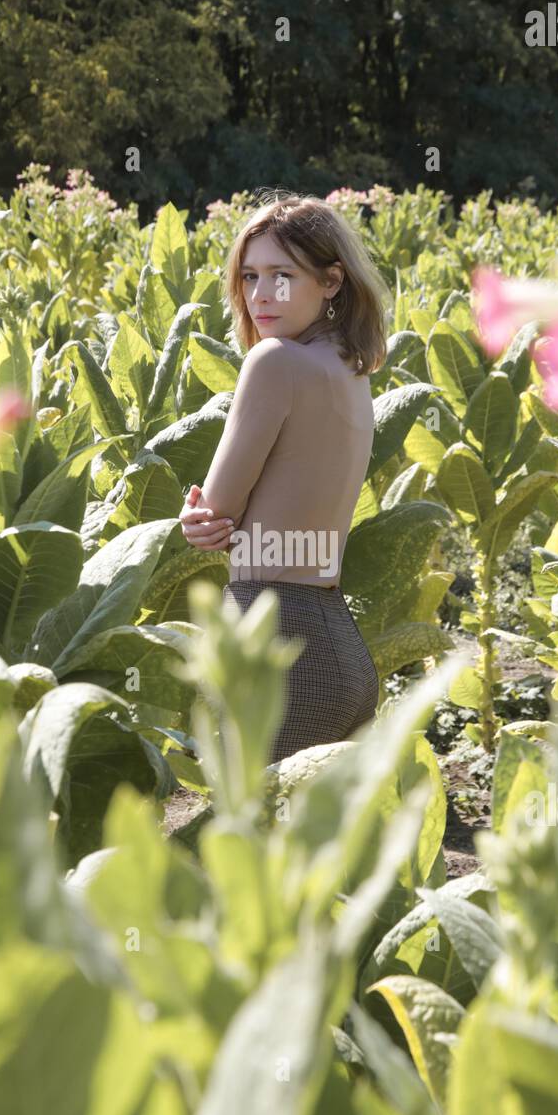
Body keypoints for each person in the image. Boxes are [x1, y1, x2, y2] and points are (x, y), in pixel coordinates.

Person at [179, 191, 390, 763]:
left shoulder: (274, 363)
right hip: (337, 644)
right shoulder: (349, 369)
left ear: (331, 281)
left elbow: (217, 512)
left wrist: (197, 518)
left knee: (246, 839)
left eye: (282, 275)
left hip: (273, 639)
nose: (259, 295)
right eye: (249, 276)